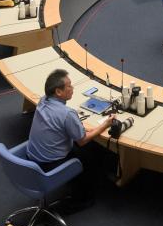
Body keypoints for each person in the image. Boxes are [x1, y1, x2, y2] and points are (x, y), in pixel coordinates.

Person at [26, 68, 117, 207]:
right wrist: (105, 125)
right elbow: (82, 140)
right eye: (69, 86)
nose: (72, 88)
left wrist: (81, 126)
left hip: (33, 157)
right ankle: (83, 199)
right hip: (51, 163)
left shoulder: (43, 100)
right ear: (58, 91)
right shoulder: (68, 114)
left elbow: (58, 124)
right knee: (93, 153)